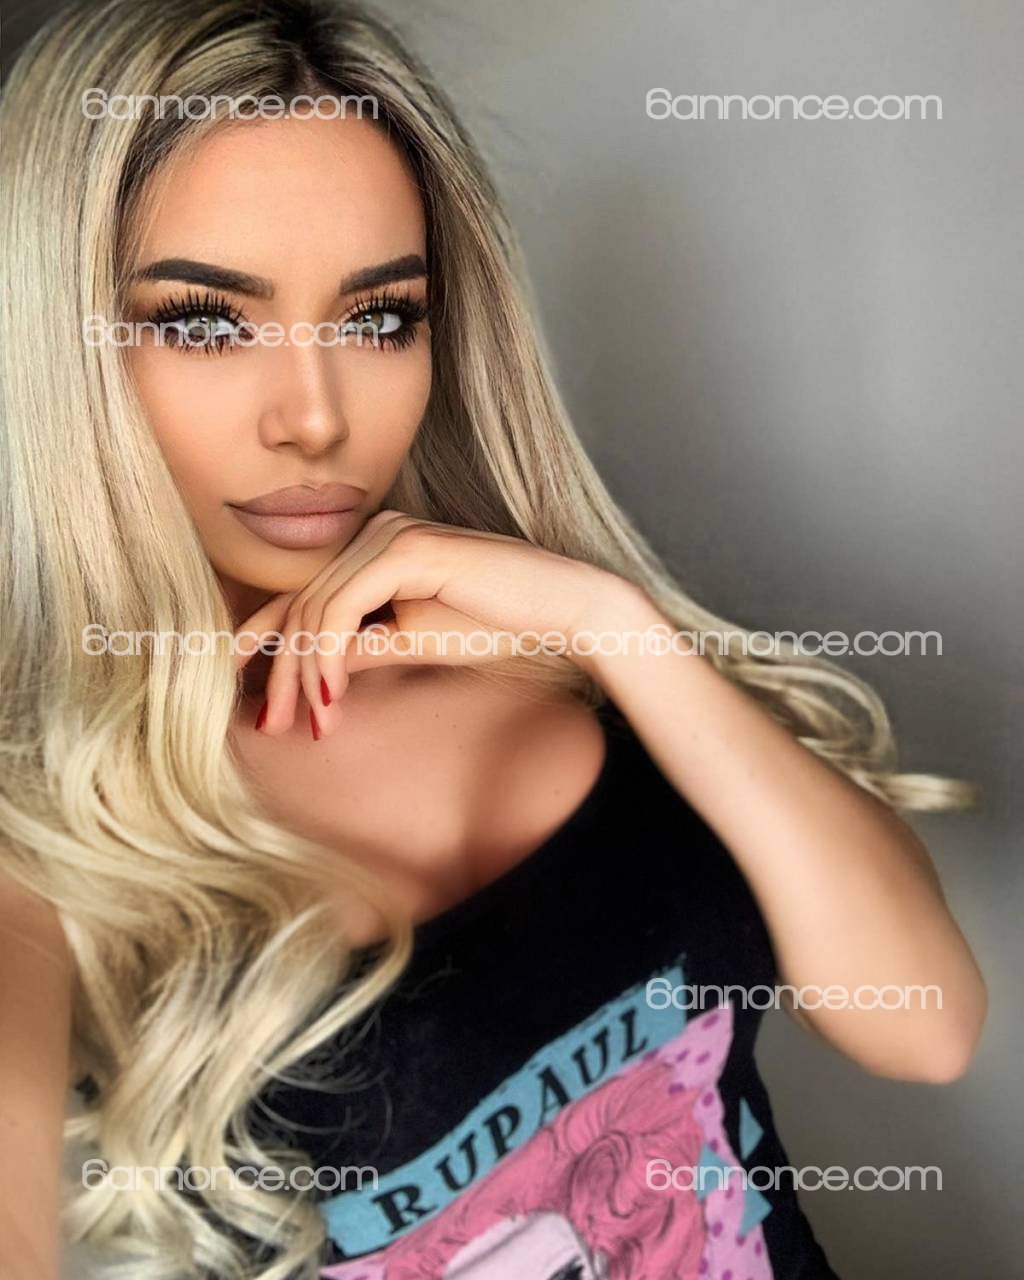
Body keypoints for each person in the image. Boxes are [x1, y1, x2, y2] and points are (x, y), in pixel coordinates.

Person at [0, 1, 987, 1277]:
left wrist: (615, 626)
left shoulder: (559, 652)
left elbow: (927, 1027)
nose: (314, 416)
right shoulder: (42, 851)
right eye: (204, 322)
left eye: (377, 318)